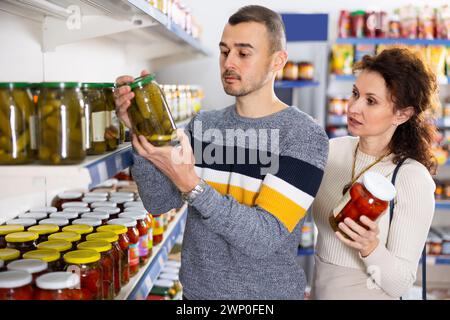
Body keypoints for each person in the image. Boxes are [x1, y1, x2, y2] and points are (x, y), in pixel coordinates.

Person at [114, 5, 328, 299]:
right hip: (196, 297)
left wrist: (192, 185)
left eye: (243, 53)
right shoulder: (204, 124)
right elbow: (159, 202)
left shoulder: (303, 135)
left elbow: (264, 237)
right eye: (224, 51)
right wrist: (140, 126)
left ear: (278, 60)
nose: (229, 63)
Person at [311, 47, 437, 300]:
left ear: (402, 114)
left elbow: (400, 284)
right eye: (355, 94)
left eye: (371, 101)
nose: (354, 107)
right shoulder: (331, 152)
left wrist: (371, 247)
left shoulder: (411, 178)